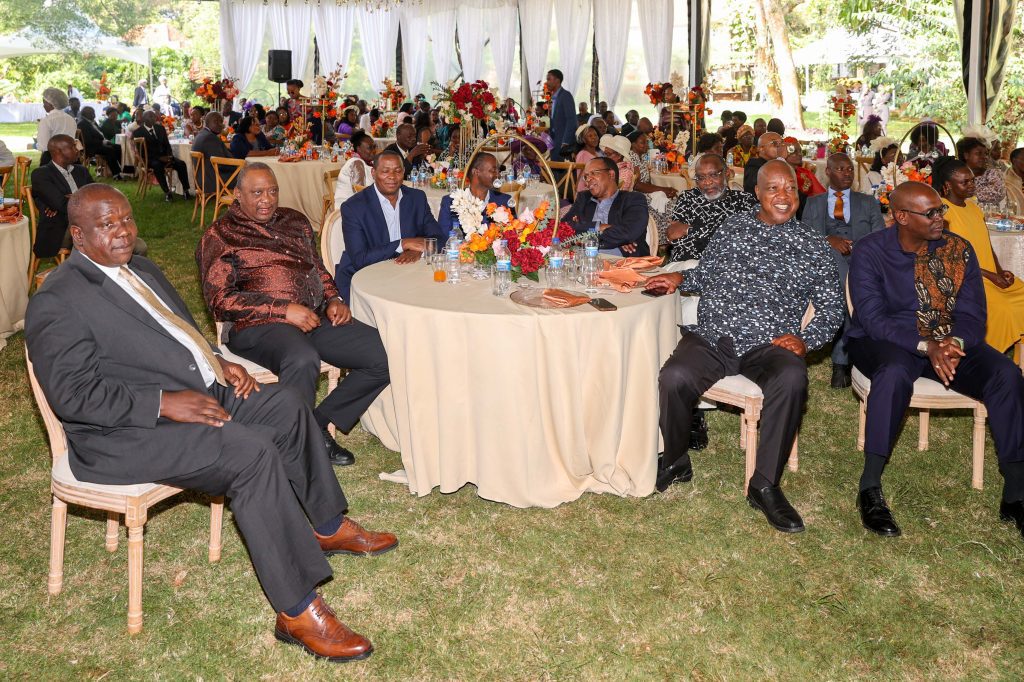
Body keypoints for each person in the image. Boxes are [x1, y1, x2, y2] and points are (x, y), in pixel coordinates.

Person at [28, 183, 397, 662]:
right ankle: (297, 608)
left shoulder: (138, 267)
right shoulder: (59, 299)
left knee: (287, 405)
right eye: (106, 224)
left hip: (197, 392)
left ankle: (326, 524)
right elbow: (74, 395)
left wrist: (218, 360)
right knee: (251, 454)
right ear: (78, 235)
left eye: (125, 220)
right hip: (123, 433)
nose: (122, 232)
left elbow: (178, 331)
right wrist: (163, 402)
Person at [644, 160, 843, 531]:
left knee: (793, 379)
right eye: (774, 189)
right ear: (758, 193)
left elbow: (833, 309)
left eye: (790, 190)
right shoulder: (733, 228)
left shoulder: (813, 246)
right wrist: (677, 276)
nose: (783, 197)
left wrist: (806, 339)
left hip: (769, 344)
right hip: (714, 336)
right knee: (673, 377)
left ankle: (764, 484)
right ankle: (675, 460)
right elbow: (706, 273)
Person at [845, 181, 1024, 540]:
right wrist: (927, 346)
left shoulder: (959, 250)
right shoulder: (871, 250)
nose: (941, 217)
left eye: (940, 209)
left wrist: (953, 341)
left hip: (948, 339)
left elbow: (974, 315)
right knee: (894, 373)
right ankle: (870, 488)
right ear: (901, 217)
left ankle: (1016, 494)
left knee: (1005, 373)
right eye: (931, 213)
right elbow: (871, 318)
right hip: (887, 340)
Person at [197, 163, 390, 466]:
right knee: (301, 358)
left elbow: (316, 269)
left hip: (314, 317)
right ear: (238, 195)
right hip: (256, 325)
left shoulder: (295, 221)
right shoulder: (220, 235)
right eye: (257, 192)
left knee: (384, 353)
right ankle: (298, 452)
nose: (267, 199)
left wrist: (333, 298)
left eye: (272, 191)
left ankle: (314, 424)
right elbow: (221, 300)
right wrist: (283, 310)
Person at [802, 153, 885, 388]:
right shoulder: (814, 202)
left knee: (847, 282)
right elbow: (807, 238)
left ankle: (841, 363)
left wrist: (856, 247)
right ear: (827, 172)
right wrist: (829, 239)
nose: (847, 173)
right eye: (840, 169)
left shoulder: (868, 202)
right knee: (843, 276)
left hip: (863, 260)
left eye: (849, 169)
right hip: (827, 263)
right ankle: (842, 362)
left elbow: (879, 236)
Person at [935, 157, 1024, 361]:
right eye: (964, 182)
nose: (971, 185)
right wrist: (991, 276)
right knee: (1006, 309)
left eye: (972, 180)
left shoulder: (974, 207)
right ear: (948, 185)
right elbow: (949, 258)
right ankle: (988, 358)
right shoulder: (943, 212)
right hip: (967, 281)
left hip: (990, 276)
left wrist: (1000, 271)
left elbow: (987, 244)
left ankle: (1020, 359)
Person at [336, 150, 446, 300]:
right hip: (364, 279)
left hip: (406, 275)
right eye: (385, 171)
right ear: (373, 173)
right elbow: (360, 259)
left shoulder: (416, 198)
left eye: (398, 171)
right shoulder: (354, 207)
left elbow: (439, 238)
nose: (392, 177)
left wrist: (417, 251)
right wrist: (403, 244)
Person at [664, 154, 758, 263]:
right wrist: (719, 236)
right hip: (685, 263)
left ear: (727, 173)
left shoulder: (744, 201)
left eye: (713, 175)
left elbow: (739, 242)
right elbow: (674, 237)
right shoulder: (688, 198)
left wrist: (688, 230)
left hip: (727, 266)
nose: (707, 182)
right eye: (701, 177)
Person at [564, 157, 651, 256]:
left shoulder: (633, 199)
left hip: (624, 263)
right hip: (584, 260)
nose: (588, 179)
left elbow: (627, 233)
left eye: (594, 173)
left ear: (611, 174)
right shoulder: (584, 198)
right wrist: (598, 227)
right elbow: (564, 227)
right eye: (586, 176)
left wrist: (583, 236)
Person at [30, 134, 94, 258]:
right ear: (59, 151)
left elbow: (97, 195)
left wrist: (72, 197)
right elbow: (62, 205)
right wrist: (82, 198)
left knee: (140, 247)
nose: (77, 150)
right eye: (73, 147)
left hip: (91, 226)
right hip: (61, 231)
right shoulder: (41, 174)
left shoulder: (82, 171)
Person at [438, 153, 515, 233]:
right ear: (476, 172)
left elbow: (511, 237)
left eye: (498, 171)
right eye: (493, 170)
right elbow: (443, 238)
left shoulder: (504, 201)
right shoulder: (451, 202)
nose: (498, 175)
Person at [132, 111, 192, 202]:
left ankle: (186, 190)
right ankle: (167, 192)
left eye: (154, 116)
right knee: (157, 166)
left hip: (165, 156)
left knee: (181, 164)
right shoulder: (138, 132)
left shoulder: (160, 128)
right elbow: (142, 152)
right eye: (150, 116)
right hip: (151, 159)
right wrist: (159, 158)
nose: (154, 118)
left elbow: (167, 144)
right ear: (144, 119)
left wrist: (169, 156)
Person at [192, 112, 235, 196]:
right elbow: (221, 164)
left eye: (221, 122)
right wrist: (239, 166)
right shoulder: (210, 138)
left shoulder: (202, 134)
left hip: (204, 179)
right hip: (212, 181)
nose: (221, 125)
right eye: (216, 121)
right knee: (247, 175)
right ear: (208, 122)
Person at [783, 137, 825, 218]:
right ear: (783, 153)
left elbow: (820, 194)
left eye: (800, 151)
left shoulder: (805, 172)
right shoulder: (780, 175)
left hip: (813, 211)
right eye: (794, 152)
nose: (799, 154)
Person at [333, 131, 376, 209]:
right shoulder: (356, 163)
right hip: (348, 211)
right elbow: (360, 193)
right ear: (358, 148)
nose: (374, 150)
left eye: (374, 147)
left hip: (358, 206)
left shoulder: (366, 163)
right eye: (370, 147)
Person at [957, 136, 1005, 206]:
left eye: (986, 153)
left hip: (990, 215)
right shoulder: (956, 175)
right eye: (978, 153)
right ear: (966, 155)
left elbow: (997, 194)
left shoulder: (993, 173)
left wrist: (963, 193)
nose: (984, 157)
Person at [77, 106, 123, 179]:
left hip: (99, 143)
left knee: (118, 147)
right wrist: (102, 142)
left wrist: (104, 141)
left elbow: (99, 133)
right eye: (92, 113)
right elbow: (87, 140)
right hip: (90, 147)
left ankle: (122, 170)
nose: (94, 115)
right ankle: (116, 174)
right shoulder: (82, 124)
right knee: (109, 150)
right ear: (86, 114)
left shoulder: (92, 122)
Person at [36, 87, 77, 166]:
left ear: (51, 104)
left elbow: (44, 146)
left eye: (44, 103)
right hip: (70, 157)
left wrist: (36, 145)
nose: (43, 105)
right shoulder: (71, 119)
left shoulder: (46, 120)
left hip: (51, 159)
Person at [546, 69, 577, 161]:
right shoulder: (553, 98)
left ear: (557, 80)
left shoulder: (566, 96)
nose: (547, 82)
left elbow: (571, 120)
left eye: (549, 79)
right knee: (555, 169)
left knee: (562, 171)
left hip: (563, 141)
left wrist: (566, 141)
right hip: (554, 140)